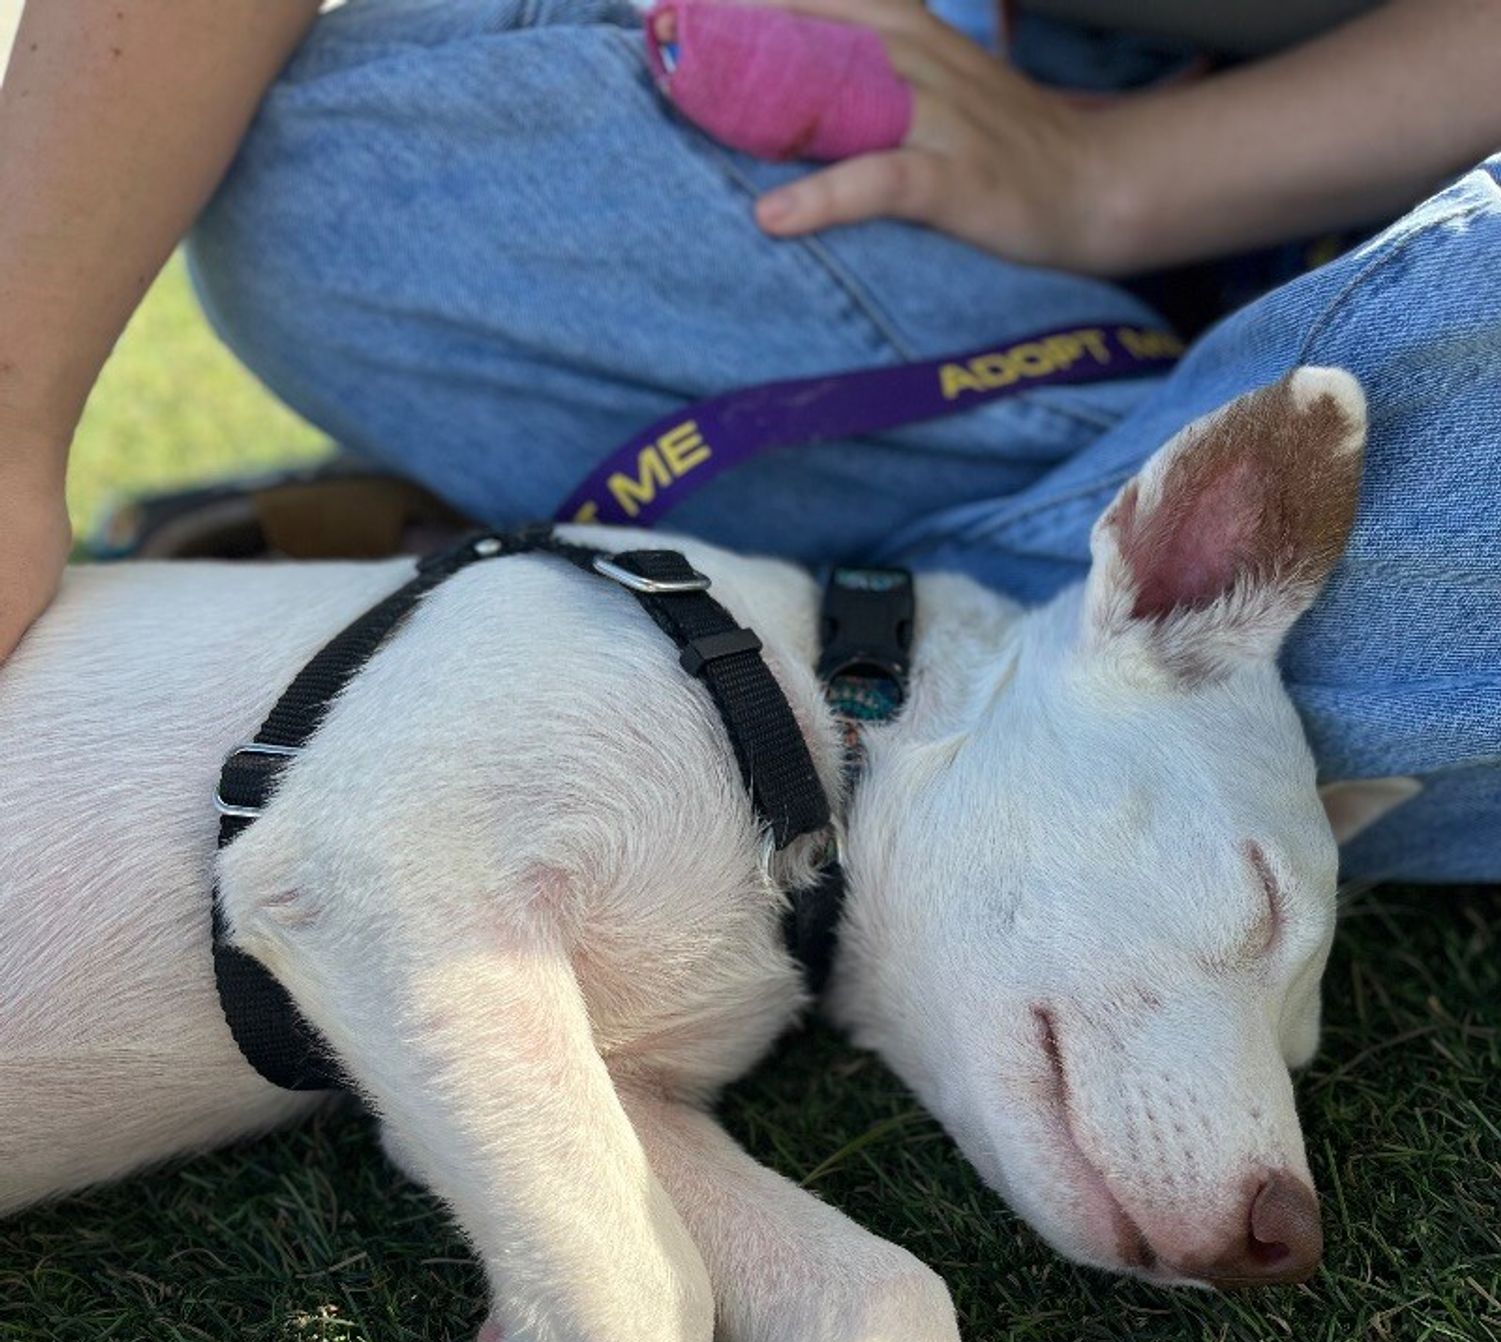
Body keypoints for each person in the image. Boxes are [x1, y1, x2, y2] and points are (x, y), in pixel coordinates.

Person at [1, 0, 1498, 876]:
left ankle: (839, 670)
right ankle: (1038, 697)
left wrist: (1122, 179)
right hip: (1034, 126)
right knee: (334, 175)